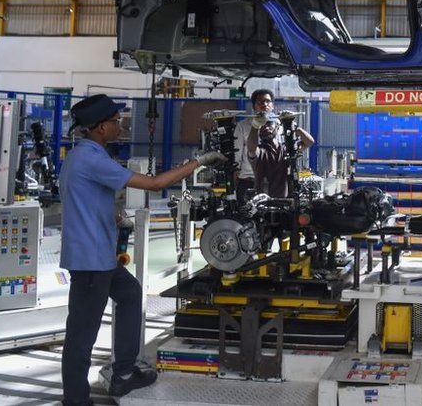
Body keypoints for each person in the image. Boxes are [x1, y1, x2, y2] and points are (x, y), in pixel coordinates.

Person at [60, 94, 226, 405]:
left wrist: (113, 213)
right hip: (90, 262)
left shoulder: (84, 155)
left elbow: (86, 196)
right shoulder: (91, 158)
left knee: (130, 294)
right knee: (81, 335)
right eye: (113, 121)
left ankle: (124, 371)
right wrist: (198, 162)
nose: (119, 124)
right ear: (97, 128)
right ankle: (75, 400)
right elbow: (154, 183)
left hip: (100, 257)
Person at [233, 89, 313, 199]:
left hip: (278, 182)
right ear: (254, 106)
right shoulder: (243, 126)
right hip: (249, 181)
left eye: (267, 101)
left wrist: (291, 125)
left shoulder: (281, 124)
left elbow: (308, 142)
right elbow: (237, 158)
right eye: (260, 102)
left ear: (273, 105)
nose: (264, 104)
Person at [247, 116, 314, 198]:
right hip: (264, 203)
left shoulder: (287, 149)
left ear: (278, 127)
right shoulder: (260, 151)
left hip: (286, 202)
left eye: (269, 124)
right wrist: (255, 125)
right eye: (262, 126)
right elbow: (251, 149)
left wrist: (295, 128)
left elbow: (309, 142)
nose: (265, 127)